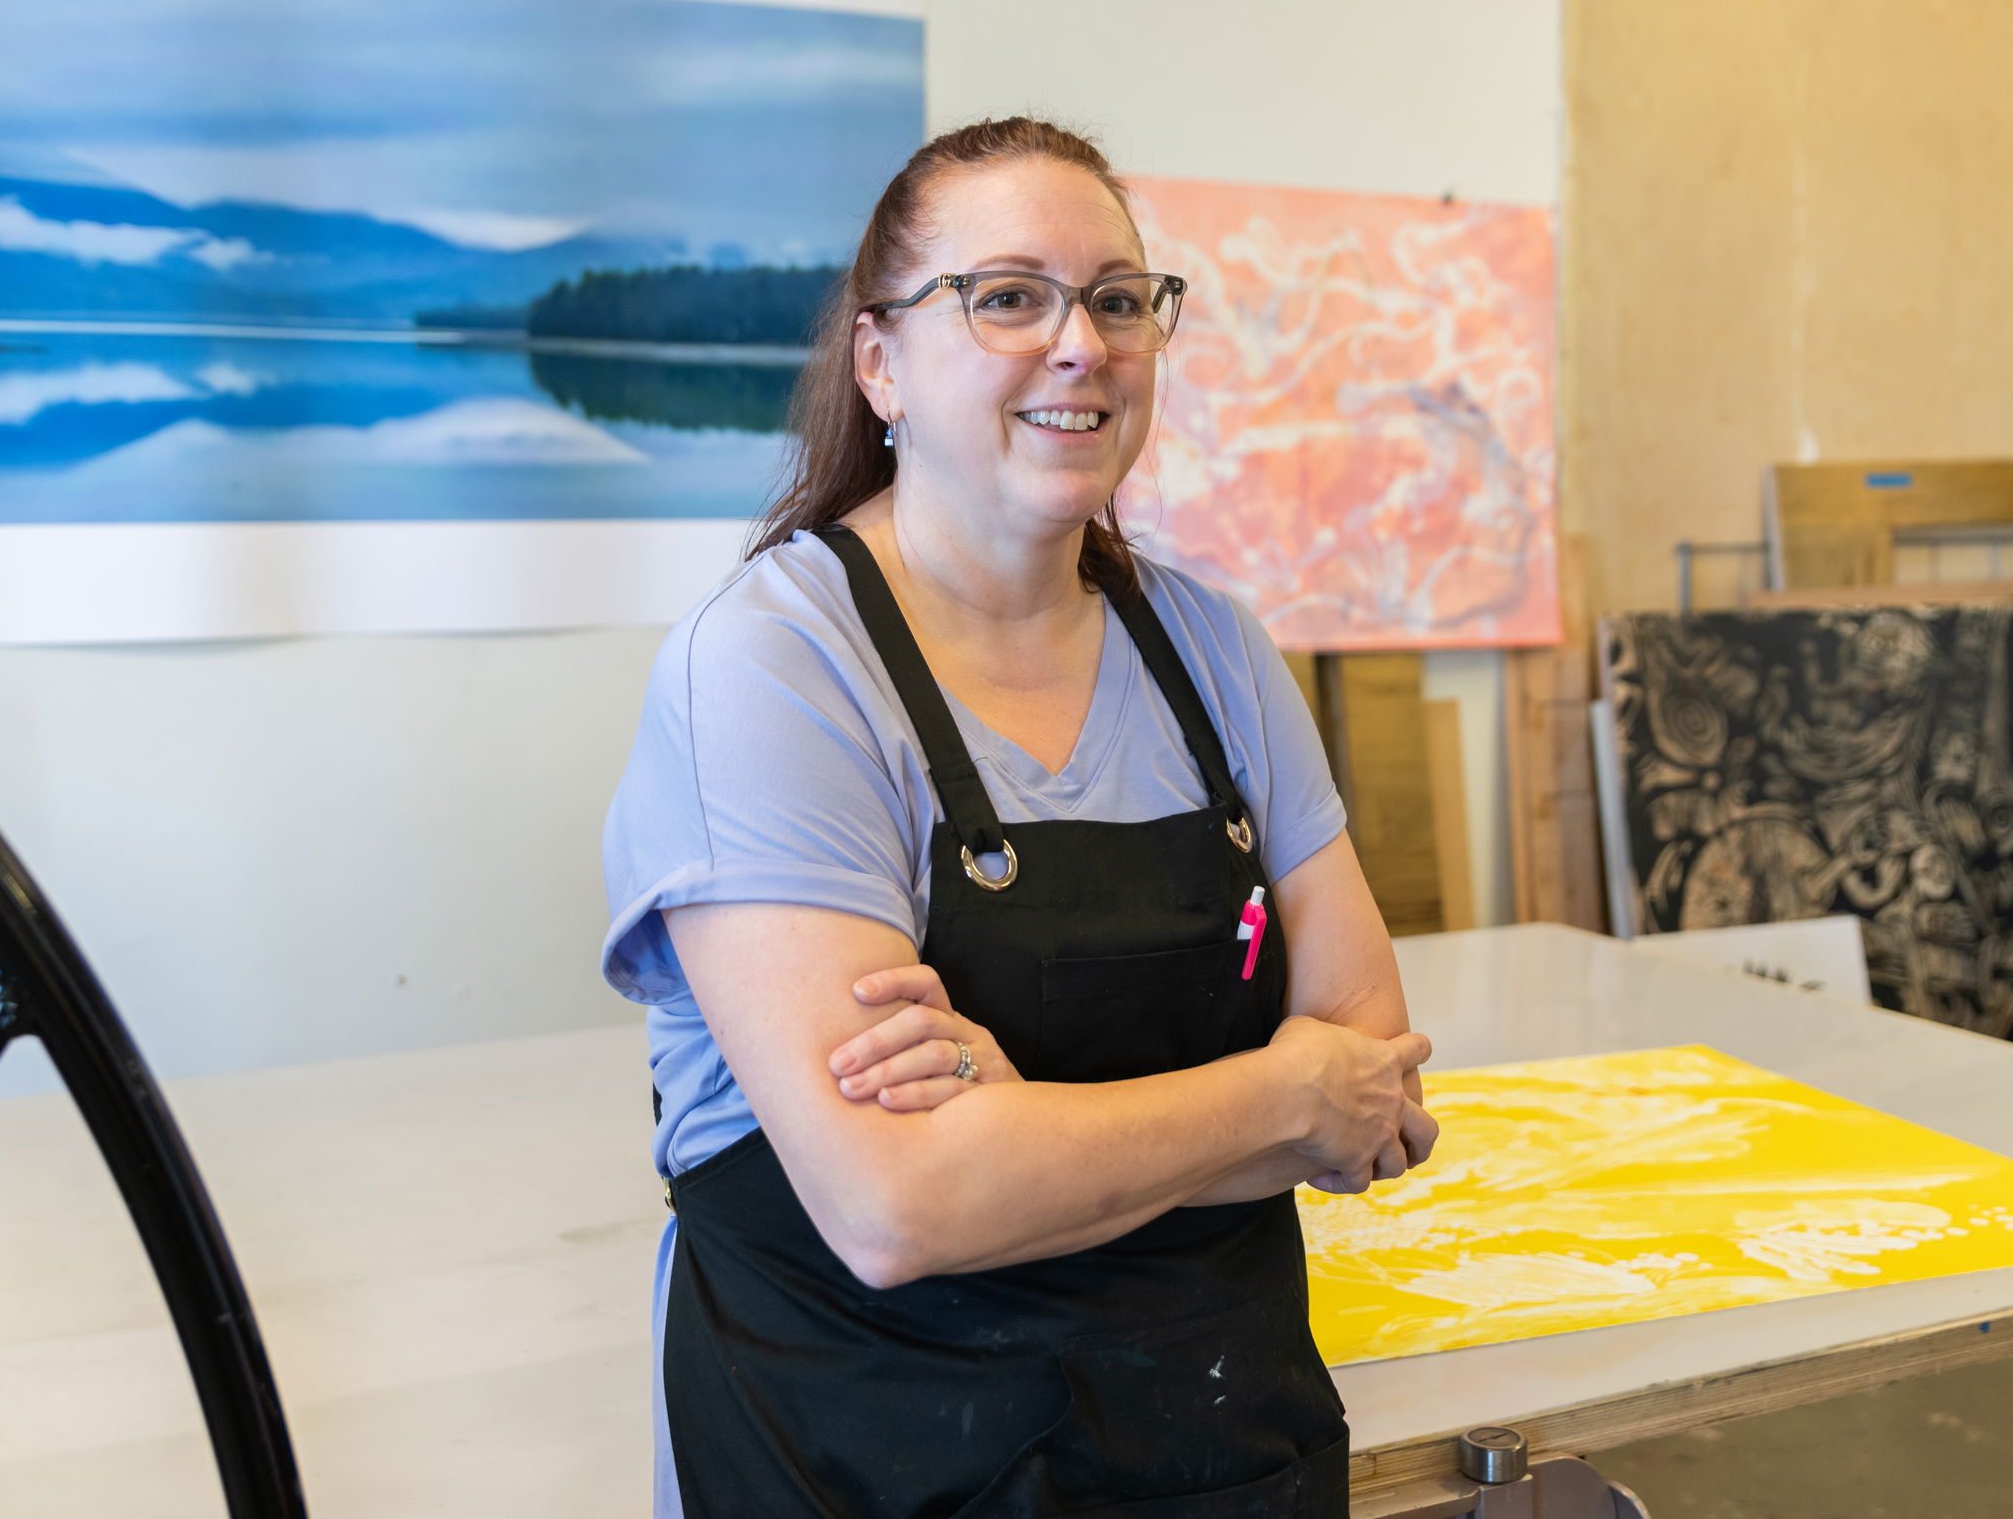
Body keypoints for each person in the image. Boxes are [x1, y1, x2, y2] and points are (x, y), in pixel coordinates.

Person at [601, 116, 1438, 1518]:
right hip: (861, 1451)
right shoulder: (770, 664)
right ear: (881, 362)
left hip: (1219, 1448)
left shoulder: (1215, 654)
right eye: (1006, 297)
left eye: (1119, 298)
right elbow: (898, 1207)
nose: (1080, 343)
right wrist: (1280, 1092)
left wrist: (1023, 1135)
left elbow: (1378, 1102)